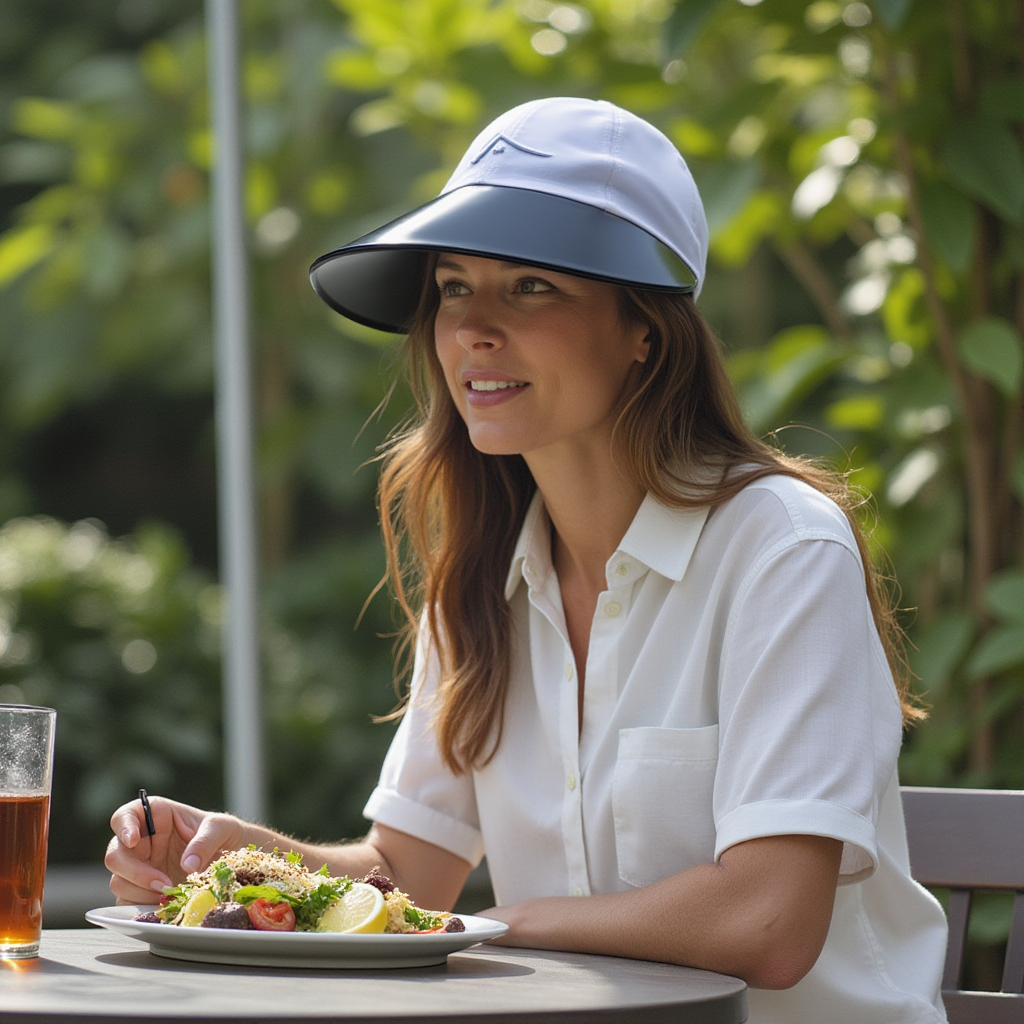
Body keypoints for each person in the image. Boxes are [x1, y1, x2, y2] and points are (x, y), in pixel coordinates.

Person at [107, 97, 948, 1022]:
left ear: (646, 332)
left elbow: (768, 921)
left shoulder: (781, 550)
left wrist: (511, 924)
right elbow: (401, 874)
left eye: (533, 287)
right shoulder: (485, 573)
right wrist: (241, 859)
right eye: (455, 286)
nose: (473, 328)